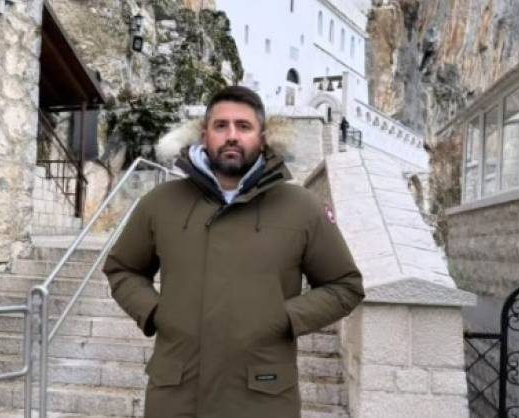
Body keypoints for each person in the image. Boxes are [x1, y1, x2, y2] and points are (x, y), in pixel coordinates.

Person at [103, 85, 364, 418]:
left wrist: (283, 317)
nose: (231, 136)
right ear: (203, 135)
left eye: (243, 126)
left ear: (263, 137)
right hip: (176, 396)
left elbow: (344, 286)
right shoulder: (160, 203)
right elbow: (123, 268)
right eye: (220, 125)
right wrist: (156, 311)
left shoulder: (301, 208)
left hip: (263, 397)